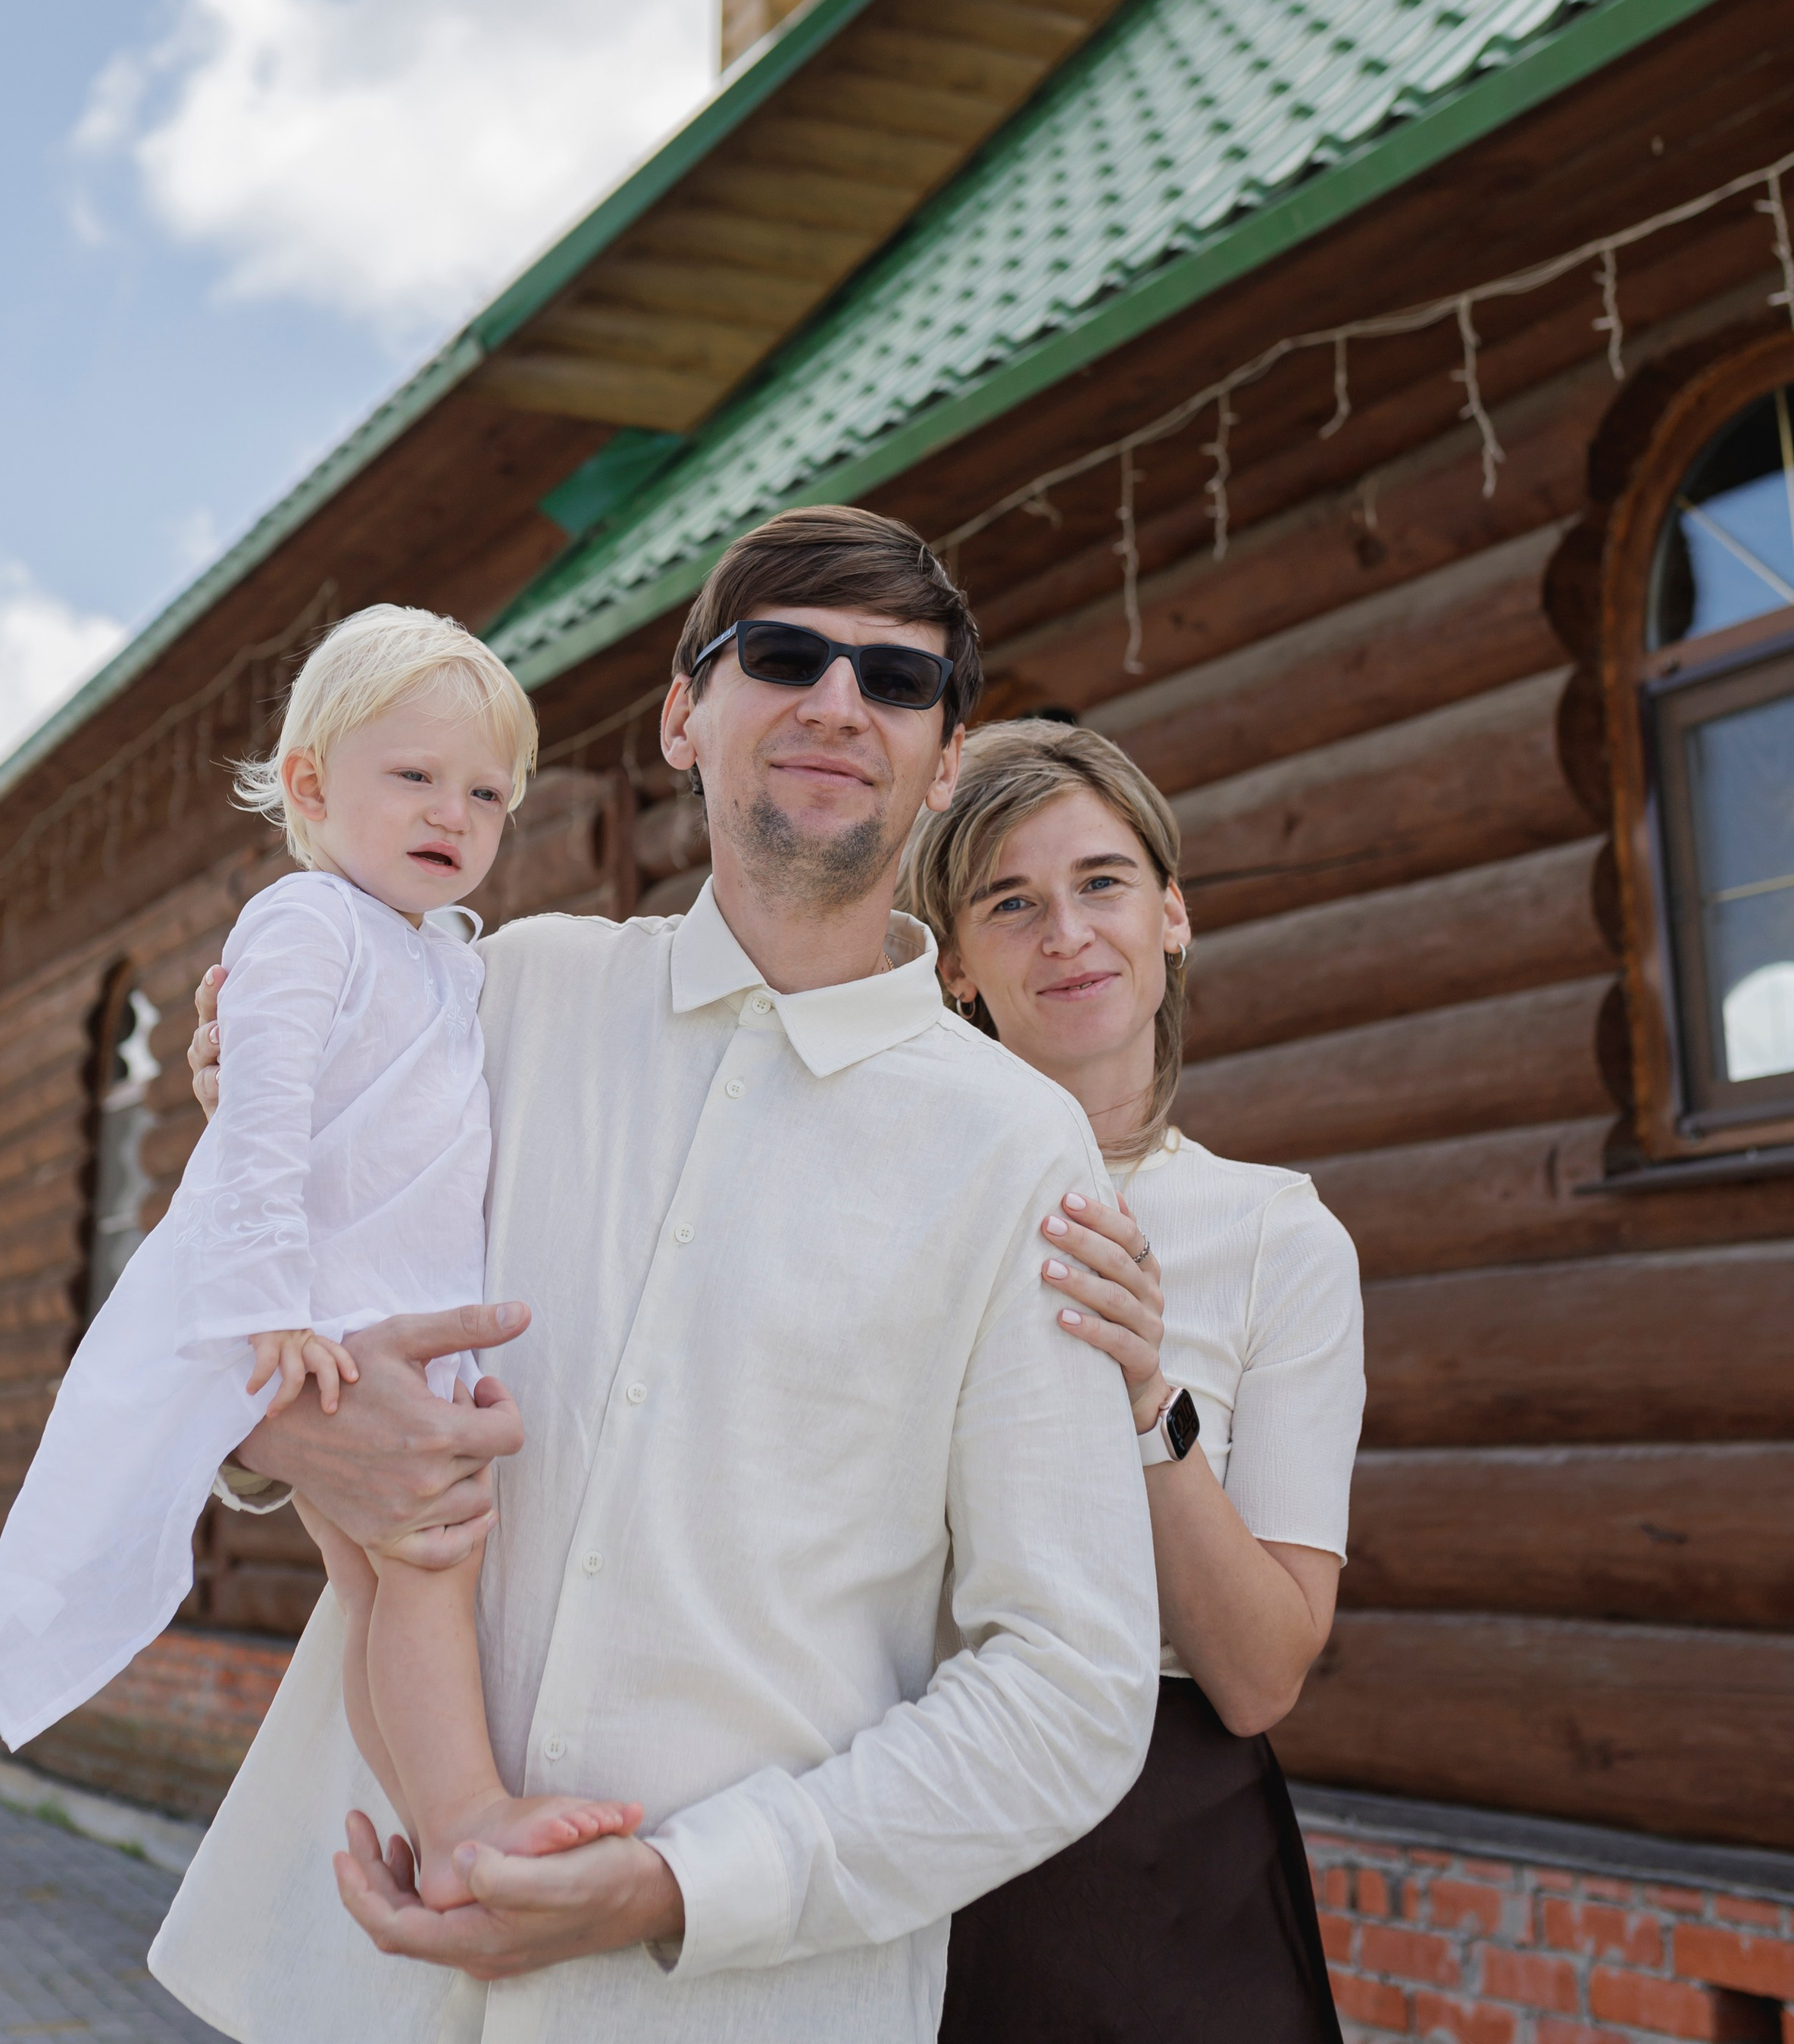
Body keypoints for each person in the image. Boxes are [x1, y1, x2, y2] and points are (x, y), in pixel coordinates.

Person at [148, 507, 1158, 2044]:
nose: (837, 703)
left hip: (736, 2010)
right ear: (684, 713)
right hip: (352, 1975)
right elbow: (220, 1307)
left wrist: (681, 1888)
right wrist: (272, 1433)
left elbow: (1072, 1688)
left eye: (895, 683)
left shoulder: (1020, 1154)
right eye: (781, 655)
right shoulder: (484, 999)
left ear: (945, 761)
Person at [0, 608, 639, 1902]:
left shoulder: (444, 955)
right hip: (333, 1311)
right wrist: (271, 1302)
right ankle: (464, 1819)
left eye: (488, 793)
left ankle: (428, 1817)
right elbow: (262, 1113)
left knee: (379, 1585)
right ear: (311, 786)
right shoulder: (308, 920)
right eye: (415, 778)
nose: (455, 812)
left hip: (377, 1299)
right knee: (426, 1572)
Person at [899, 720, 1362, 2044]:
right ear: (956, 970)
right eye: (1010, 901)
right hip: (894, 1811)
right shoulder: (881, 1211)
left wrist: (1147, 1403)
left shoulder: (1278, 1239)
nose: (1067, 934)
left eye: (1102, 883)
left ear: (1172, 916)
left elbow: (1263, 1678)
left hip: (1157, 1864)